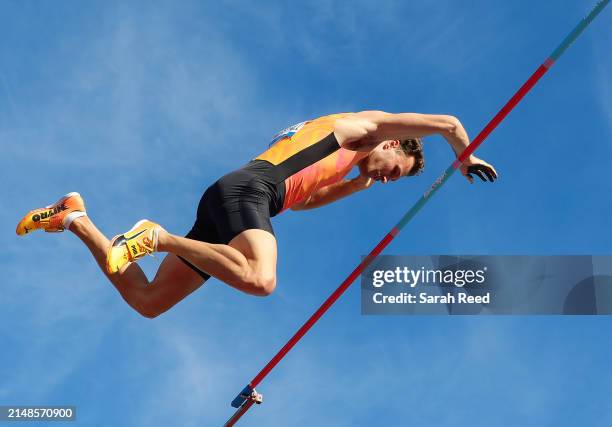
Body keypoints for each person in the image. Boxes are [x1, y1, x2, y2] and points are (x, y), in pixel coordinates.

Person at [16, 111, 497, 318]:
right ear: (394, 143)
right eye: (398, 170)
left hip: (235, 200)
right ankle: (156, 237)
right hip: (250, 191)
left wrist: (359, 183)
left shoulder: (345, 158)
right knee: (262, 280)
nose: (391, 179)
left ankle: (72, 218)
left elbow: (302, 201)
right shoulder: (366, 127)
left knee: (149, 301)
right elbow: (449, 124)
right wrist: (465, 157)